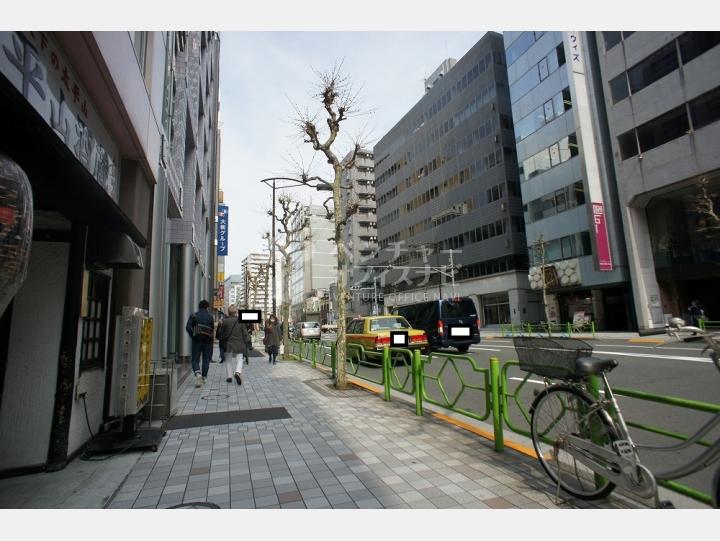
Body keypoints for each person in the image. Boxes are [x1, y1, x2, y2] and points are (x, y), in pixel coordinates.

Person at [186, 300, 215, 387]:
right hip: (208, 341)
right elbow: (212, 329)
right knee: (206, 359)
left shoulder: (194, 315)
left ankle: (198, 373)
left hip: (197, 340)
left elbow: (187, 327)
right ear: (207, 307)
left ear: (199, 307)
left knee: (195, 359)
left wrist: (193, 335)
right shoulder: (210, 317)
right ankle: (203, 377)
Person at [219, 305, 251, 384]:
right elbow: (245, 333)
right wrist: (248, 341)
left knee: (228, 360)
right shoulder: (240, 321)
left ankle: (229, 377)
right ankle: (237, 372)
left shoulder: (225, 321)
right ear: (236, 312)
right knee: (239, 360)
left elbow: (221, 333)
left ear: (228, 312)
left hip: (228, 344)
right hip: (239, 344)